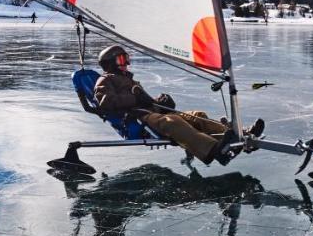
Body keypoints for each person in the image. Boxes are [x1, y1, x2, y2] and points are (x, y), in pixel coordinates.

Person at [92, 45, 263, 165]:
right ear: (109, 63)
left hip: (150, 112)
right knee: (171, 122)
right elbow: (106, 102)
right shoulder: (105, 80)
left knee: (197, 116)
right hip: (137, 118)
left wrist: (160, 102)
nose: (126, 63)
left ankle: (237, 136)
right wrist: (135, 99)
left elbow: (146, 100)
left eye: (126, 58)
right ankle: (214, 150)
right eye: (122, 59)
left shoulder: (127, 78)